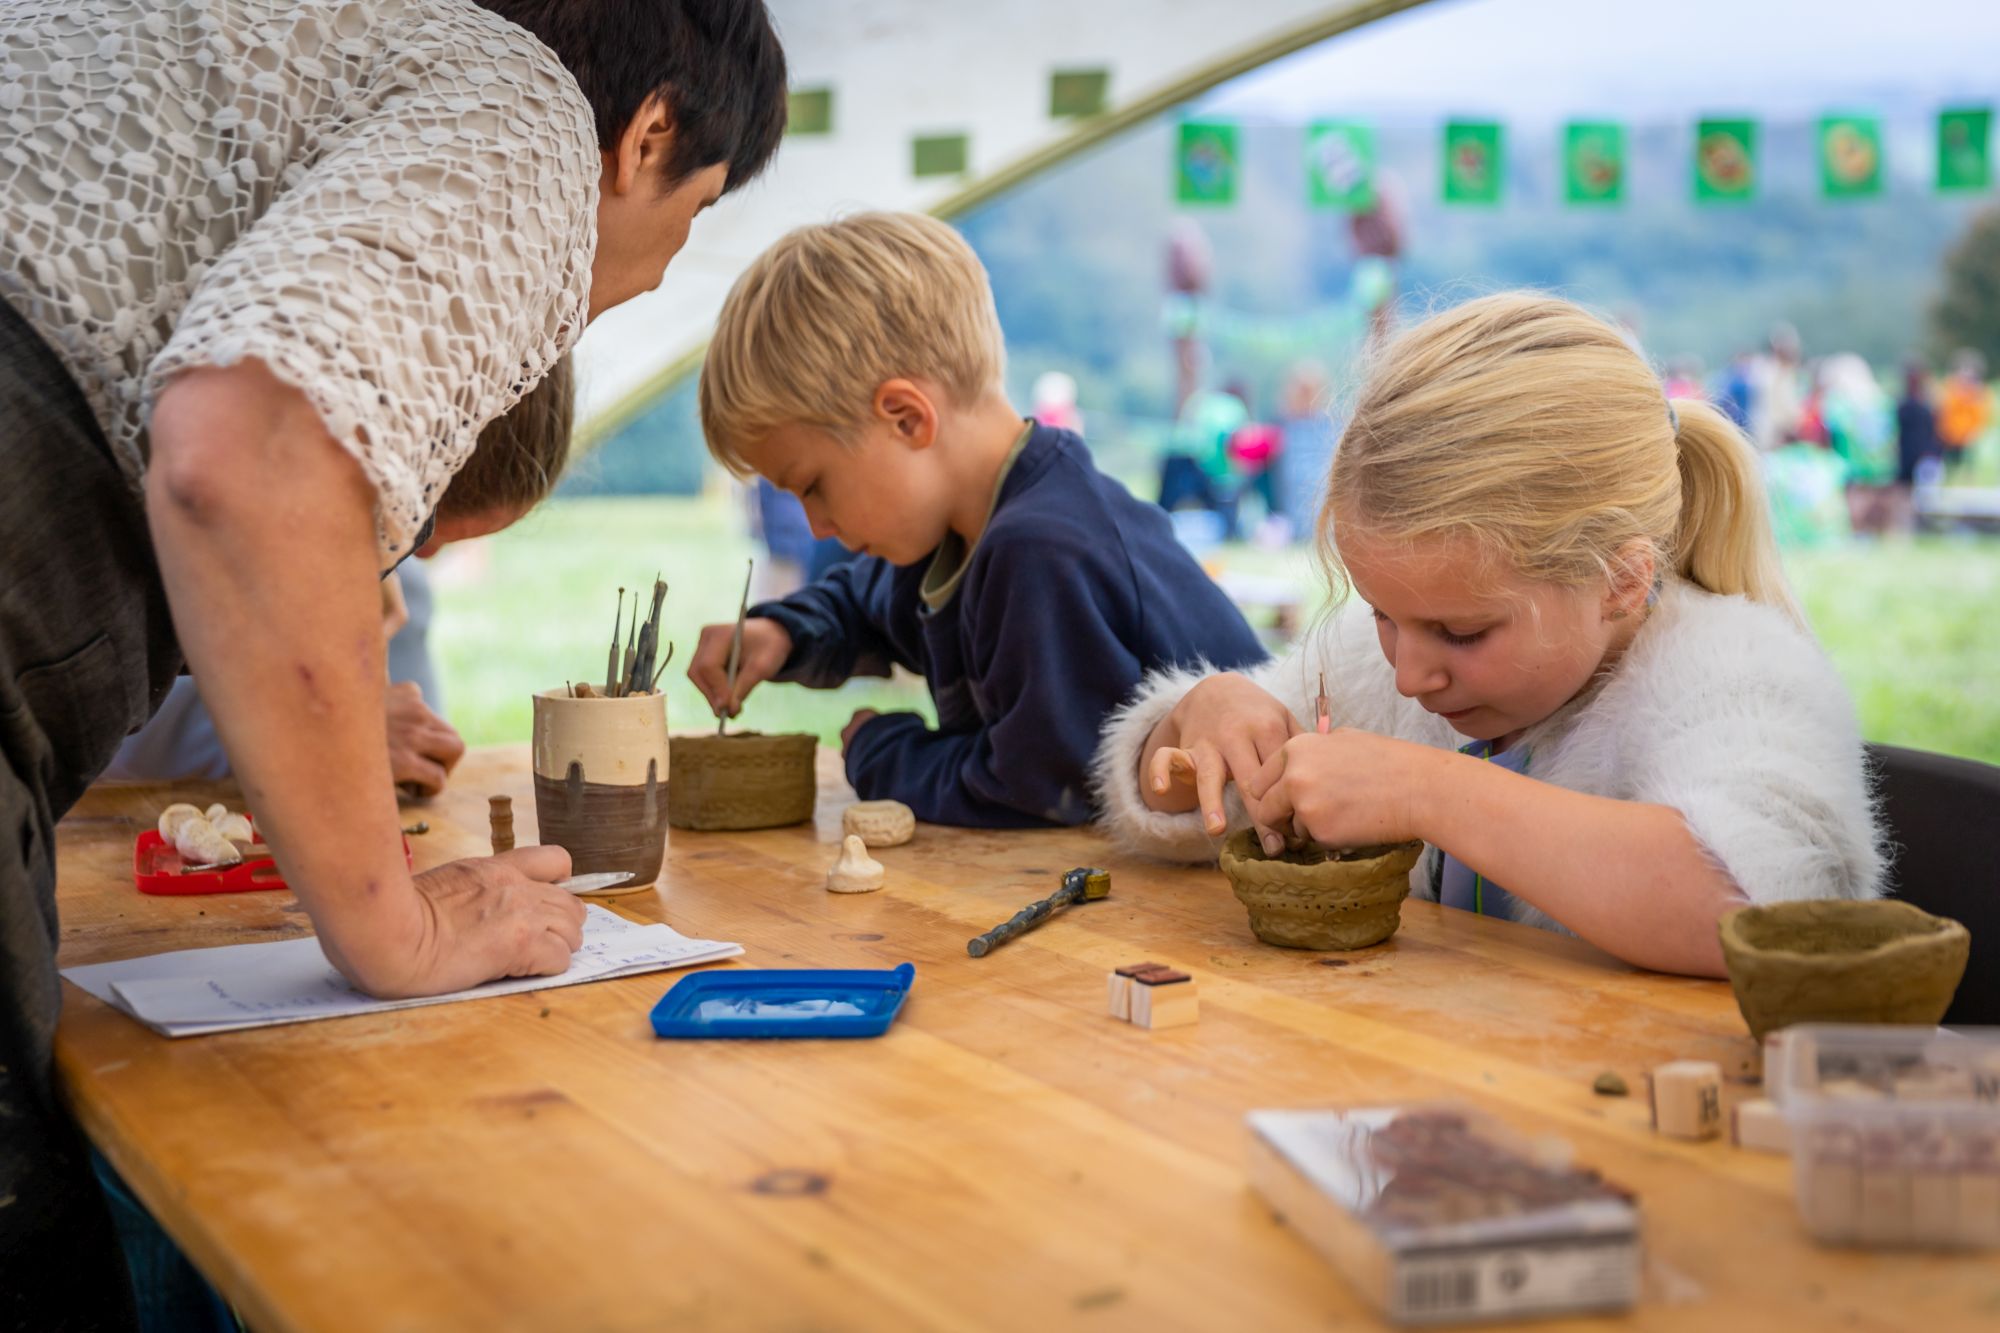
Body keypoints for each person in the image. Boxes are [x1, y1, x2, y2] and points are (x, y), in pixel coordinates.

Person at [0, 3, 787, 1326]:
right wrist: (397, 929)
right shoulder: (522, 108)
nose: (659, 276)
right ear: (647, 136)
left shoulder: (304, 63)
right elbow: (245, 455)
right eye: (694, 211)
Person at [1095, 294, 1882, 978]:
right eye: (1382, 613)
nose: (1409, 675)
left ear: (1621, 580)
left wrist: (1426, 791)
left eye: (1462, 632)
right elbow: (1183, 800)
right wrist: (1200, 720)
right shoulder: (1383, 652)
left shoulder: (1740, 670)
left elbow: (1765, 906)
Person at [686, 212, 1268, 828]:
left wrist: (876, 749)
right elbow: (864, 605)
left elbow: (1035, 788)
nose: (817, 526)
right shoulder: (951, 530)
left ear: (907, 418)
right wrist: (784, 634)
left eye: (814, 486)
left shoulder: (1040, 548)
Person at [1895, 359, 1943, 531]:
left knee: (1925, 496)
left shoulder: (1928, 402)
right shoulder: (1905, 401)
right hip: (1909, 455)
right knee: (1905, 494)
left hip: (1924, 455)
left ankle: (1924, 526)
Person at [1936, 348, 1992, 478]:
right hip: (1948, 437)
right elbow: (1944, 410)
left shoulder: (1979, 393)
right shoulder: (1949, 388)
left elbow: (1981, 416)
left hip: (1969, 439)